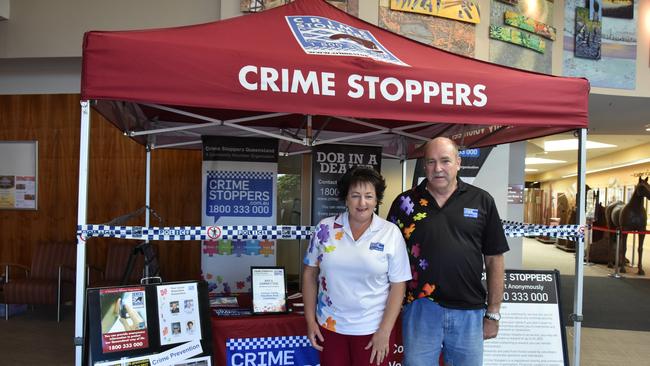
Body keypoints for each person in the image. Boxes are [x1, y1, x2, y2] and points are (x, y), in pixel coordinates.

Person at [387, 137, 509, 366]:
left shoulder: (481, 200)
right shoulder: (405, 203)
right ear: (424, 166)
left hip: (469, 311)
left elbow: (494, 259)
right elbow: (388, 259)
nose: (438, 168)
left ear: (458, 162)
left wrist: (493, 313)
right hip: (420, 308)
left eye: (445, 161)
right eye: (431, 162)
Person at [303, 166, 411, 366]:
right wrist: (310, 321)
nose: (362, 203)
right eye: (355, 196)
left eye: (369, 196)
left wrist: (385, 331)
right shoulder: (324, 228)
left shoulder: (390, 233)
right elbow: (309, 274)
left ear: (377, 200)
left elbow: (398, 285)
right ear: (345, 198)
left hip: (373, 330)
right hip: (330, 327)